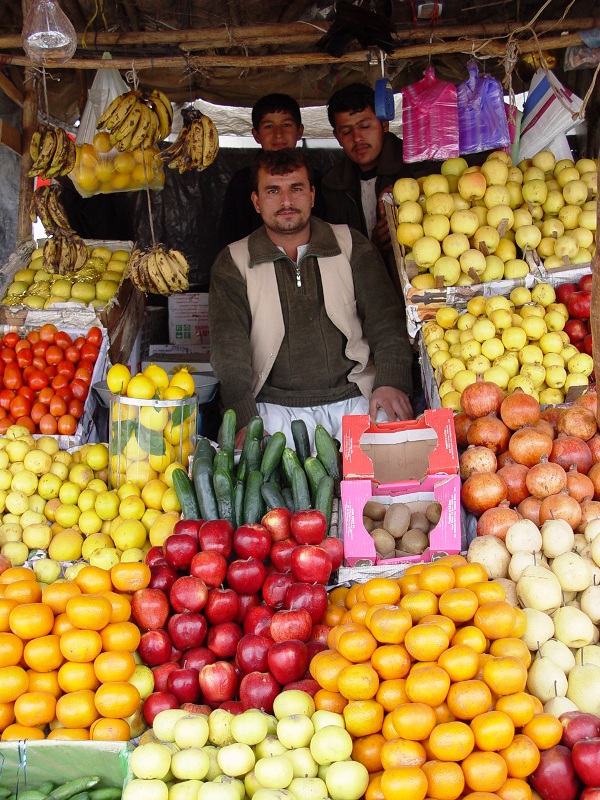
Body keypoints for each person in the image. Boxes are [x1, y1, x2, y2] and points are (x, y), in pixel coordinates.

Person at [209, 148, 414, 449]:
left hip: (356, 397)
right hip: (272, 408)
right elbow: (229, 354)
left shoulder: (350, 244)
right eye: (273, 191)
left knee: (395, 478)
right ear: (256, 201)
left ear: (313, 195)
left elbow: (387, 321)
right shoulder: (234, 262)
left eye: (296, 188)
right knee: (264, 487)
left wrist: (390, 382)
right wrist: (243, 418)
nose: (287, 201)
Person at [217, 93, 326, 248]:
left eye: (286, 125)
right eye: (269, 127)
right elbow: (230, 237)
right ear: (256, 135)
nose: (278, 134)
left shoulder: (317, 179)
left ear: (300, 131)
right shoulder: (243, 182)